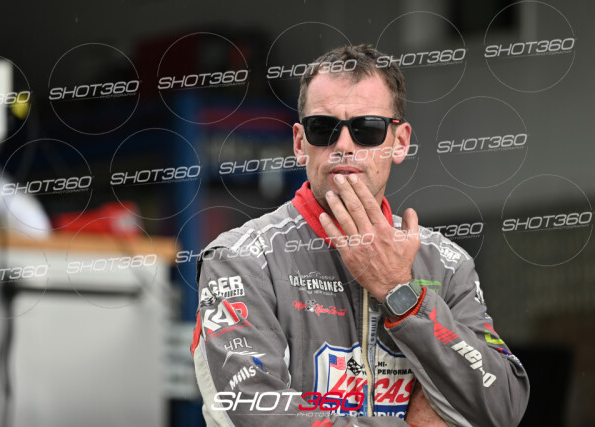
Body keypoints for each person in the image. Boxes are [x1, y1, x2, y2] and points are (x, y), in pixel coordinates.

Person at [191, 44, 529, 427]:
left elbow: (503, 406)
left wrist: (401, 294)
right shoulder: (239, 259)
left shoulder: (446, 264)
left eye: (367, 129)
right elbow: (256, 413)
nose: (343, 146)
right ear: (300, 144)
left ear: (400, 142)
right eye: (323, 129)